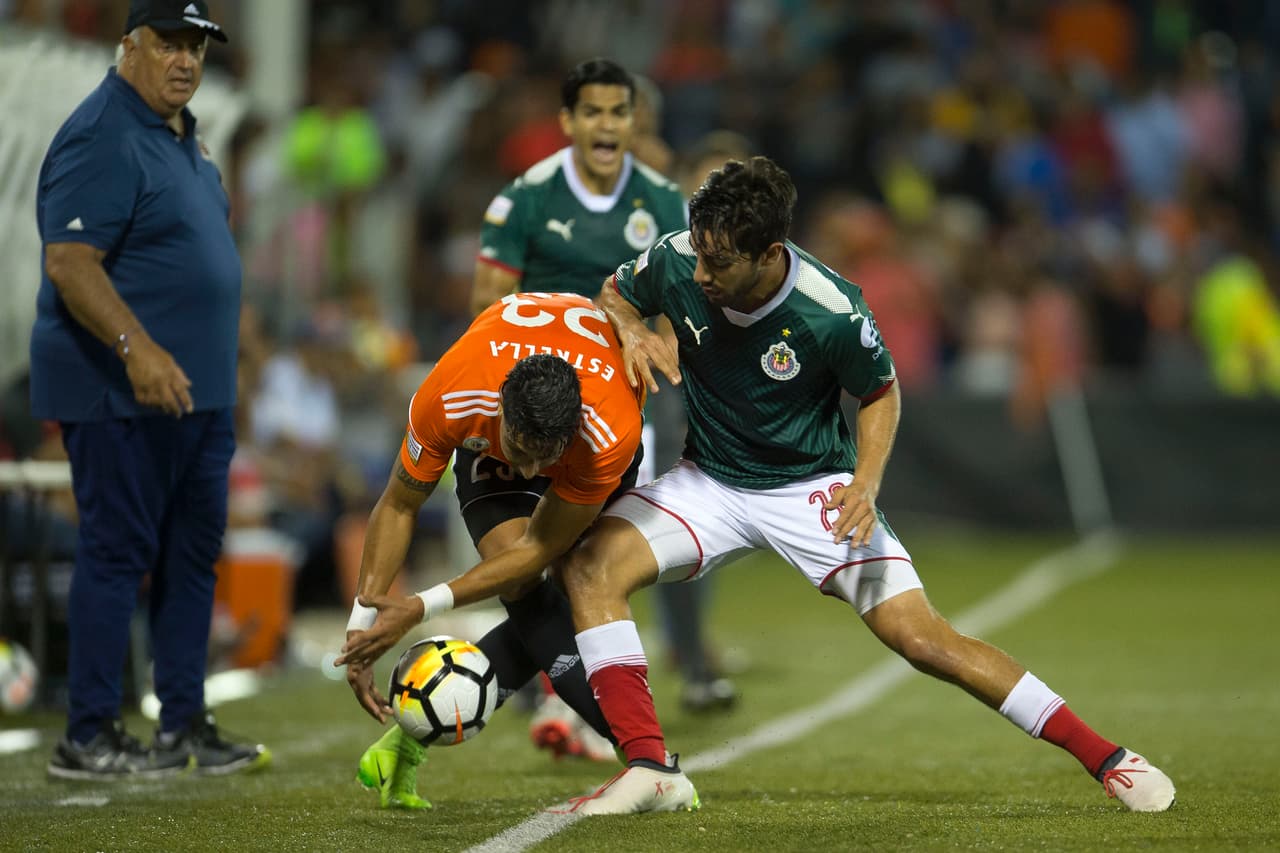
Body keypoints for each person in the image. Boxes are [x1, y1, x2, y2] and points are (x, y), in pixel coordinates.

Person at [550, 156, 1176, 814]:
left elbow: (879, 391)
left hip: (812, 489)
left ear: (769, 253)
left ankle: (1107, 758)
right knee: (589, 566)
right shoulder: (681, 256)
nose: (700, 273)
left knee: (924, 640)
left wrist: (867, 481)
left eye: (720, 263)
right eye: (698, 255)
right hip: (708, 482)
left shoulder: (833, 310)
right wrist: (630, 328)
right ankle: (650, 766)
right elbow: (615, 293)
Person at [30, 0, 268, 780]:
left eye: (195, 47)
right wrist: (136, 349)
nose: (185, 61)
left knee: (192, 557)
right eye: (168, 43)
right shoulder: (102, 133)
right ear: (128, 46)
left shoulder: (186, 138)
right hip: (121, 390)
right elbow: (69, 260)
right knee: (116, 552)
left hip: (197, 395)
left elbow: (198, 263)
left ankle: (182, 719)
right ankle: (89, 732)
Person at [468, 58, 733, 741]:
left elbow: (679, 297)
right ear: (569, 123)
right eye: (594, 112)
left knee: (596, 557)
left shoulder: (662, 199)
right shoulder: (524, 199)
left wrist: (669, 348)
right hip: (538, 414)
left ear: (633, 122)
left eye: (620, 112)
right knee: (549, 558)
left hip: (621, 411)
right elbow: (484, 307)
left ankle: (551, 694)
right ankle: (564, 696)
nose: (608, 125)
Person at [335, 292, 645, 809]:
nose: (529, 473)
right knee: (524, 588)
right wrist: (362, 624)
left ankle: (407, 740)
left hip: (591, 439)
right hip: (490, 436)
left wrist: (420, 605)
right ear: (500, 404)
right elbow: (398, 505)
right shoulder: (453, 391)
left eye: (541, 459)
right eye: (520, 453)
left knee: (584, 582)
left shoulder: (609, 428)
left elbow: (540, 545)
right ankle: (644, 758)